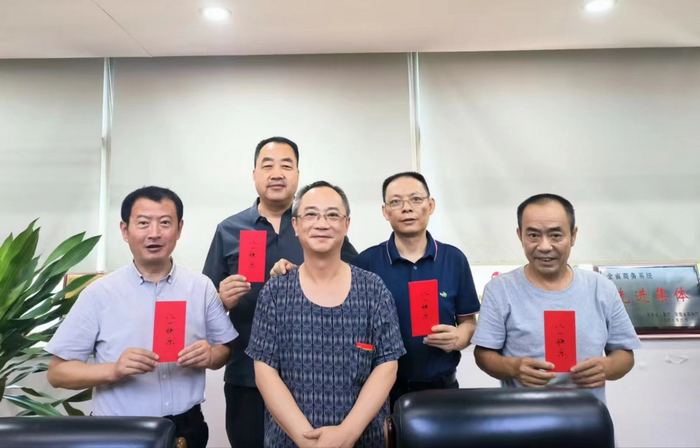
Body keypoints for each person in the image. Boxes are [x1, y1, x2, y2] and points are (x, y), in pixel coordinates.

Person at [46, 186, 237, 448]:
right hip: (118, 430)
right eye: (143, 223)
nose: (154, 233)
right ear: (125, 231)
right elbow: (57, 373)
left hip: (187, 429)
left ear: (179, 229)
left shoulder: (200, 287)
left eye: (165, 223)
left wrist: (210, 356)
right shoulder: (99, 293)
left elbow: (223, 350)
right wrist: (115, 370)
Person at [272, 172, 480, 410]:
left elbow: (469, 322)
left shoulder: (454, 259)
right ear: (385, 211)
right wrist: (289, 272)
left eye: (415, 199)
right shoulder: (366, 263)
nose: (407, 208)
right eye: (396, 201)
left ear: (430, 205)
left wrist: (460, 337)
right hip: (379, 393)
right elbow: (325, 272)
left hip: (442, 390)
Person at [203, 137, 357, 448]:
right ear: (254, 174)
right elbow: (203, 308)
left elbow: (354, 282)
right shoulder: (228, 230)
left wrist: (304, 278)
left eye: (286, 166)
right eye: (267, 165)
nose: (276, 173)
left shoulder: (316, 226)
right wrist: (221, 300)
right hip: (246, 374)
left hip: (311, 377)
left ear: (298, 175)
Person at [247, 181, 405, 448]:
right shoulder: (275, 292)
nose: (321, 224)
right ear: (295, 225)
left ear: (346, 224)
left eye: (332, 215)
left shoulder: (374, 289)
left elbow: (387, 365)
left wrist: (347, 433)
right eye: (311, 214)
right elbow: (265, 371)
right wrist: (305, 439)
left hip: (362, 439)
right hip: (290, 441)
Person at [472, 193, 640, 403]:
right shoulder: (500, 289)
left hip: (586, 413)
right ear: (520, 236)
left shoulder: (601, 288)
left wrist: (607, 367)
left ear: (573, 235)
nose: (544, 246)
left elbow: (624, 353)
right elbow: (484, 354)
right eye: (533, 235)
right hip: (520, 414)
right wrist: (514, 368)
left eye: (555, 235)